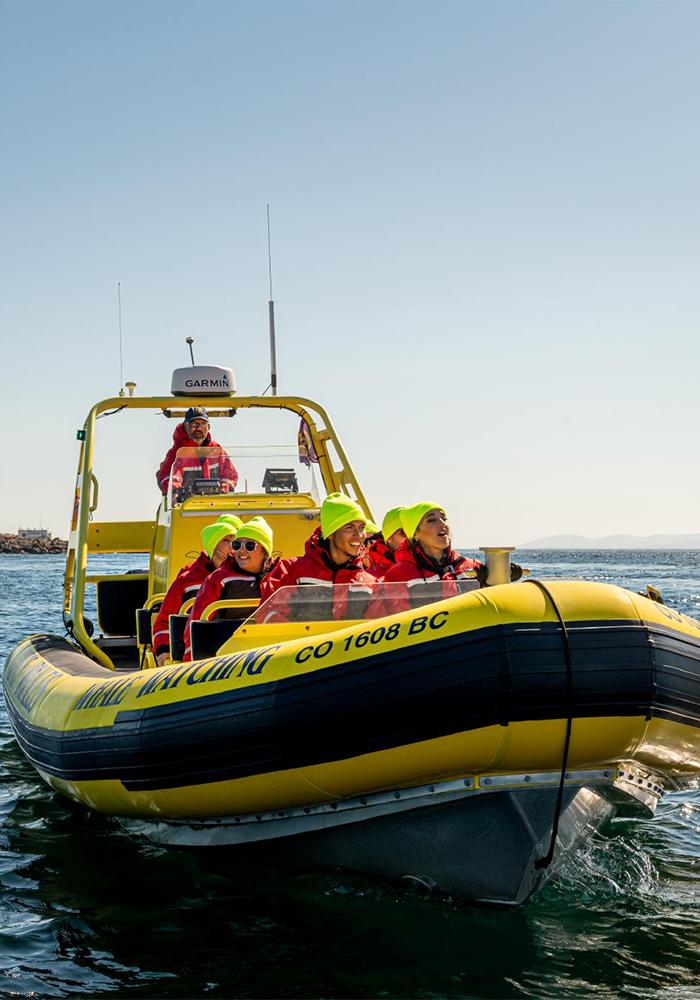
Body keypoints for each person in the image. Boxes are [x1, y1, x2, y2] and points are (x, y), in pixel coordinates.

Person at [259, 492, 376, 622]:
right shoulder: (290, 570)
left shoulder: (369, 582)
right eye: (349, 528)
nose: (359, 535)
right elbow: (267, 612)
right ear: (330, 533)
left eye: (362, 527)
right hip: (301, 642)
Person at [182, 516, 279, 661]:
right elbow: (196, 621)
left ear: (265, 550)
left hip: (272, 652)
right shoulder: (218, 578)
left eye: (250, 546)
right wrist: (191, 661)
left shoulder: (281, 574)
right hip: (227, 656)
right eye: (236, 545)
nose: (241, 551)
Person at [151, 514, 242, 666]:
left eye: (236, 542)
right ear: (213, 542)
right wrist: (164, 650)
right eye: (226, 540)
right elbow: (164, 621)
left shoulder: (249, 577)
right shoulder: (188, 578)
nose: (231, 547)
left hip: (239, 653)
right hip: (196, 658)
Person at [372, 502, 488, 615]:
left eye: (444, 519)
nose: (442, 524)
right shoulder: (398, 575)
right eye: (432, 520)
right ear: (415, 533)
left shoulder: (472, 566)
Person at [156, 406, 238, 497]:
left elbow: (230, 475)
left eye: (203, 424)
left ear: (208, 427)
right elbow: (168, 478)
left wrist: (223, 489)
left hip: (214, 505)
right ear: (185, 426)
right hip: (186, 506)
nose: (198, 428)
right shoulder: (177, 453)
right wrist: (175, 493)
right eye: (194, 424)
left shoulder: (216, 450)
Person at [365, 506, 407, 578]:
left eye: (414, 532)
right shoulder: (367, 568)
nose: (410, 537)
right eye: (404, 533)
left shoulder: (425, 558)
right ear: (389, 537)